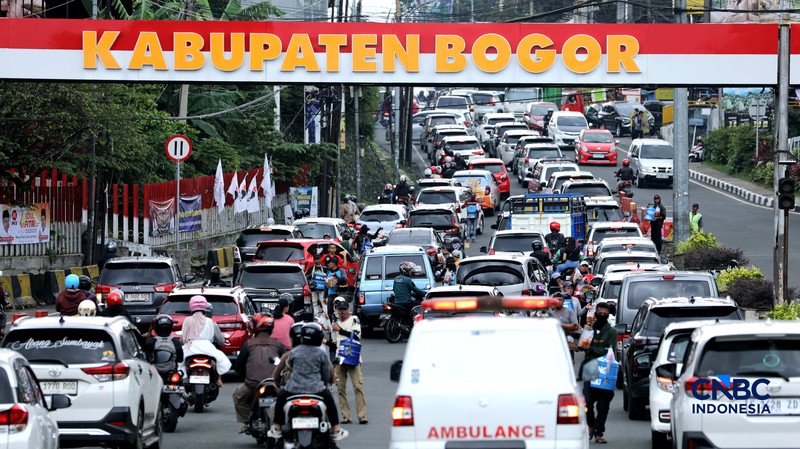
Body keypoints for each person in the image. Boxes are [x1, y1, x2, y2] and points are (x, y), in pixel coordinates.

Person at [268, 323, 349, 442]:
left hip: (293, 389)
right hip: (316, 390)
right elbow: (326, 374)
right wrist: (325, 383)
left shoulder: (294, 352)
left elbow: (289, 366)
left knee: (280, 399)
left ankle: (277, 427)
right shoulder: (321, 353)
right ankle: (336, 428)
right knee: (330, 402)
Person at [233, 313, 286, 434]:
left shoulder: (248, 345)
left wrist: (245, 376)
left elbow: (239, 366)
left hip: (252, 385)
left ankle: (247, 422)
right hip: (274, 385)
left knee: (238, 395)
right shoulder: (279, 345)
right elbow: (286, 366)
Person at [581, 302, 618, 445]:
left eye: (604, 313)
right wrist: (587, 345)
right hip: (590, 367)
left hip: (606, 370)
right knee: (587, 401)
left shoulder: (612, 332)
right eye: (599, 313)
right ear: (595, 313)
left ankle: (599, 433)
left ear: (608, 315)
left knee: (603, 404)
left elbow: (607, 351)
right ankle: (591, 424)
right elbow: (582, 345)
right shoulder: (589, 328)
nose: (601, 315)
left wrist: (591, 348)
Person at [331, 297, 368, 424]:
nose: (342, 312)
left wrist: (339, 330)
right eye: (339, 309)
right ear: (337, 310)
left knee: (358, 386)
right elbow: (334, 344)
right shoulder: (335, 323)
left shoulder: (354, 319)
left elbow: (356, 336)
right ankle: (346, 416)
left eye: (344, 309)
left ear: (348, 309)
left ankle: (362, 416)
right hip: (340, 358)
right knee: (340, 388)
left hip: (353, 357)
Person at [181, 295, 230, 386]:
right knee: (219, 360)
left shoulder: (187, 320)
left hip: (189, 349)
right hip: (208, 349)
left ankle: (184, 380)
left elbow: (183, 339)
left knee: (180, 364)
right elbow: (220, 341)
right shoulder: (210, 322)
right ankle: (219, 380)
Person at [550, 293, 579, 358]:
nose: (558, 301)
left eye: (560, 300)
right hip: (555, 343)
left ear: (563, 301)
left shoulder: (570, 311)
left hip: (568, 344)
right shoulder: (551, 314)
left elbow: (575, 326)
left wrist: (560, 325)